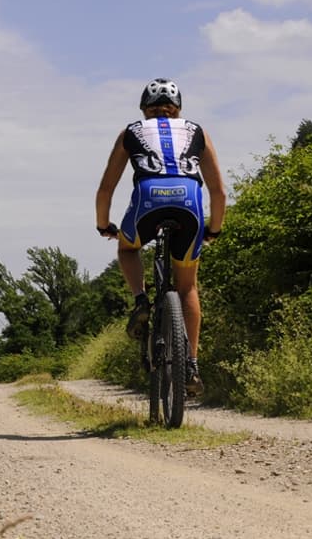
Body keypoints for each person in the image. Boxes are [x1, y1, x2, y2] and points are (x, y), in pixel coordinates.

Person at [95, 78, 226, 397]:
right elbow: (219, 192)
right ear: (178, 110)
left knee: (128, 249)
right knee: (188, 287)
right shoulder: (197, 131)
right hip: (190, 204)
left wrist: (104, 226)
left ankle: (140, 300)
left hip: (147, 202)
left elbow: (106, 189)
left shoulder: (131, 132)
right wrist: (214, 229)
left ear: (144, 109)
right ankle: (191, 364)